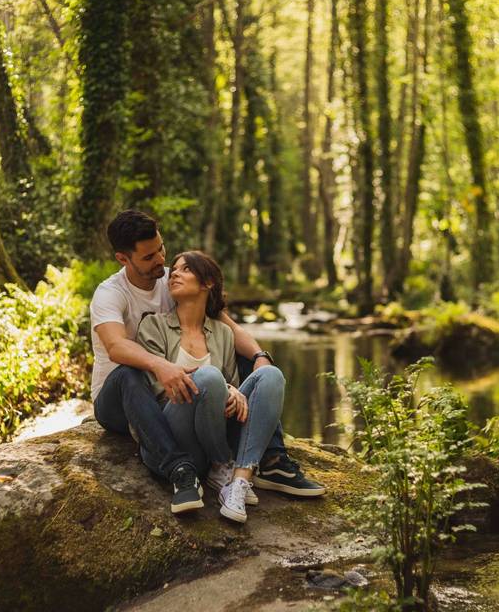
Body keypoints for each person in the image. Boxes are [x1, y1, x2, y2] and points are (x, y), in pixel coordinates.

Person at [90, 210, 325, 516]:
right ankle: (180, 468)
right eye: (149, 257)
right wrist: (161, 365)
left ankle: (272, 461)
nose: (161, 261)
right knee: (131, 371)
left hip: (188, 394)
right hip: (124, 398)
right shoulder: (111, 293)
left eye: (161, 249)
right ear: (124, 259)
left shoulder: (169, 281)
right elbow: (116, 346)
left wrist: (259, 357)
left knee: (260, 369)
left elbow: (228, 327)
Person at [137, 250, 284, 523]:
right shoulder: (153, 326)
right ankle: (221, 463)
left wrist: (234, 391)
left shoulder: (224, 333)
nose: (174, 273)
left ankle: (238, 480)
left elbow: (231, 395)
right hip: (175, 436)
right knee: (208, 377)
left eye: (185, 269)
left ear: (207, 283)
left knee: (271, 375)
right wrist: (223, 385)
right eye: (174, 270)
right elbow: (157, 391)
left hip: (215, 425)